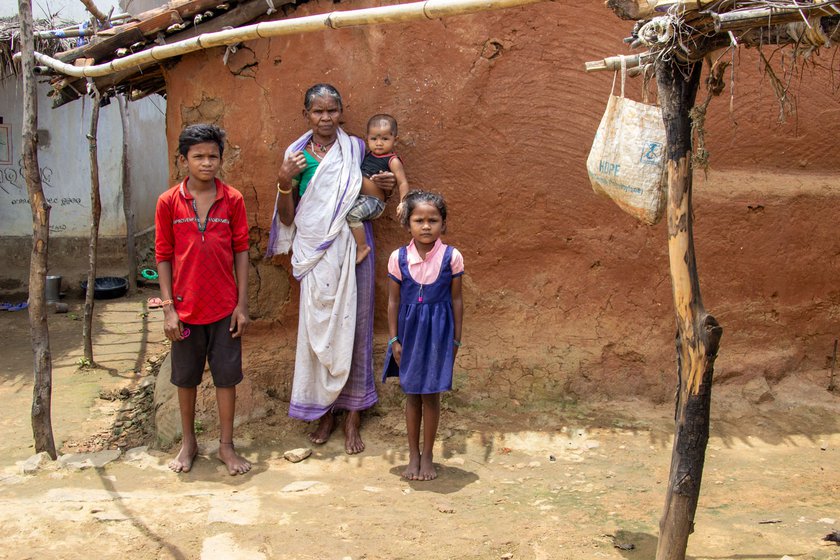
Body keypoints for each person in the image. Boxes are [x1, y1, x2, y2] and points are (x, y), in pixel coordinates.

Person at [266, 84, 396, 454]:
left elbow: (372, 196)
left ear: (341, 111)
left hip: (354, 248)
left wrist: (383, 185)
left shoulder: (355, 148)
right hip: (316, 253)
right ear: (306, 113)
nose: (325, 118)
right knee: (317, 332)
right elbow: (288, 219)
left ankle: (353, 416)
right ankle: (325, 412)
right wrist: (283, 180)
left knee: (355, 328)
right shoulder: (295, 155)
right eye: (317, 112)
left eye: (332, 111)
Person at [155, 123, 252, 476]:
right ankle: (189, 443)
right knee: (185, 379)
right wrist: (169, 309)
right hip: (184, 308)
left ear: (221, 160)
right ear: (184, 160)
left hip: (224, 308)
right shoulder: (168, 202)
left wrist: (241, 304)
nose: (207, 163)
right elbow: (163, 255)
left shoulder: (233, 200)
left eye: (213, 156)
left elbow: (241, 251)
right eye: (199, 156)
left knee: (226, 378)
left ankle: (226, 446)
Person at [382, 190, 464, 481]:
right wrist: (394, 340)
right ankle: (413, 454)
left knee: (431, 394)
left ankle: (428, 454)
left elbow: (456, 301)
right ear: (408, 224)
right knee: (412, 393)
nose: (426, 226)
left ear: (443, 223)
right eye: (419, 220)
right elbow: (392, 302)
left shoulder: (451, 257)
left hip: (439, 334)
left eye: (434, 220)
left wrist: (455, 340)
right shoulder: (398, 258)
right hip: (409, 334)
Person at [348, 114, 409, 264]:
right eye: (374, 139)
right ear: (367, 138)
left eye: (385, 139)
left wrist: (403, 202)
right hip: (361, 199)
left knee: (351, 216)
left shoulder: (392, 160)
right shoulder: (367, 155)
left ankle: (362, 247)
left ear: (395, 138)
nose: (379, 143)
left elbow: (402, 183)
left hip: (374, 202)